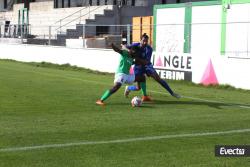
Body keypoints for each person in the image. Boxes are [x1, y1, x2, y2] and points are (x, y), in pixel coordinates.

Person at [124, 33, 181, 100]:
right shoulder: (135, 45)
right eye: (143, 40)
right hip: (138, 67)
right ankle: (129, 88)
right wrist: (128, 50)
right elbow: (124, 46)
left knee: (158, 79)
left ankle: (172, 93)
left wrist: (135, 57)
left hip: (147, 66)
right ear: (140, 40)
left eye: (146, 41)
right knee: (138, 87)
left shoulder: (149, 49)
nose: (145, 42)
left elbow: (146, 62)